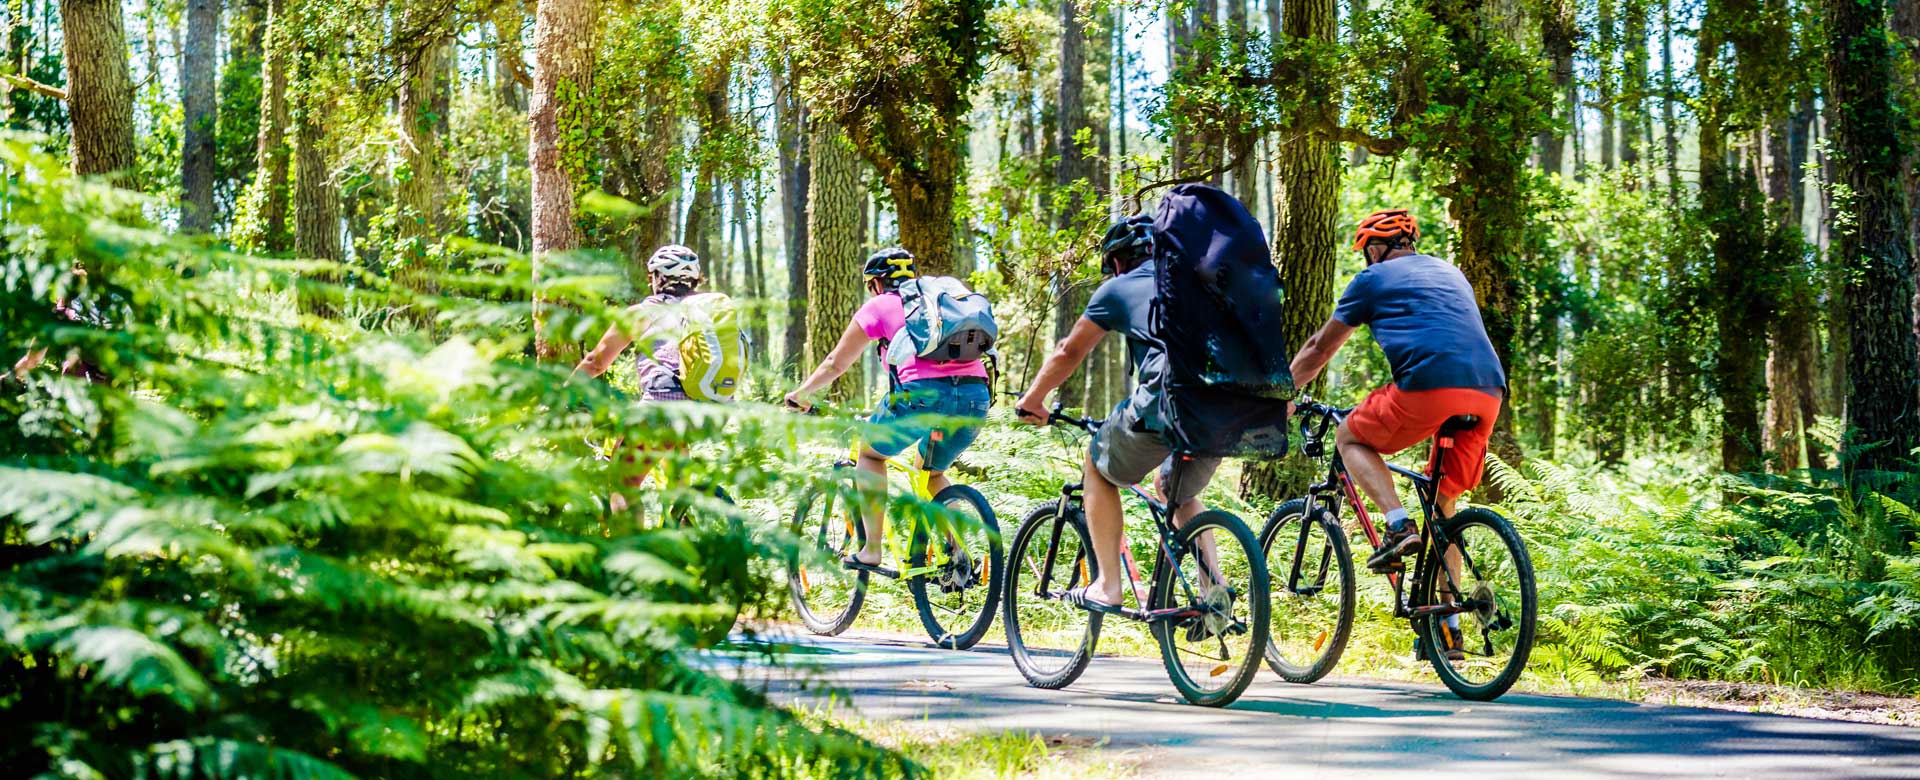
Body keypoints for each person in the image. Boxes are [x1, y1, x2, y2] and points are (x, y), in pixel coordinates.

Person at [1287, 208, 1506, 655]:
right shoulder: (1451, 272)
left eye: (1366, 252)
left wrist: (1280, 396)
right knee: (1444, 505)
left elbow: (1318, 348)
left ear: (1374, 248)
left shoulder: (1372, 280)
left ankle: (1396, 524)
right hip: (1488, 391)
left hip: (1429, 386)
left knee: (1350, 436)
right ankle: (1446, 629)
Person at [1013, 216, 1223, 612]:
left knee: (1096, 462)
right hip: (1229, 407)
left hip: (1169, 403)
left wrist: (1034, 400)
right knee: (1176, 489)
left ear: (1117, 261)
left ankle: (1108, 584)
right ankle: (1215, 592)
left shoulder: (1118, 288)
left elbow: (1068, 352)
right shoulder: (1201, 282)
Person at [785, 248, 992, 569]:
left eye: (870, 284)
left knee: (869, 453)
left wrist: (801, 394)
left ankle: (871, 550)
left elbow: (836, 363)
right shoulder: (938, 303)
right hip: (974, 398)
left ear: (878, 284)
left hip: (920, 397)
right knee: (932, 471)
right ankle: (958, 554)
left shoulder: (880, 305)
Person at [570, 245, 712, 505]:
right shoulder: (708, 312)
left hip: (661, 406)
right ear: (694, 279)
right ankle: (683, 529)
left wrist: (563, 392)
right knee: (676, 478)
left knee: (622, 482)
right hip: (705, 411)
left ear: (658, 278)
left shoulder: (642, 313)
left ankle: (631, 545)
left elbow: (595, 363)